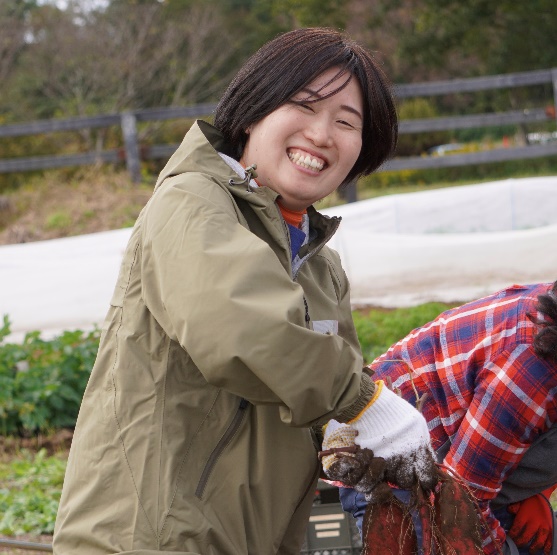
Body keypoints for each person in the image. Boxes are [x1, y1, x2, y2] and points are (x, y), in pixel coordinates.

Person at [52, 28, 437, 555]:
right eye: (304, 105)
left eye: (347, 123)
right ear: (254, 109)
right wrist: (365, 402)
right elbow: (244, 328)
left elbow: (318, 419)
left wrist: (346, 467)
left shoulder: (322, 268)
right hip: (154, 539)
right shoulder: (191, 202)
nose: (323, 135)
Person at [324, 281, 557, 555]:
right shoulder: (530, 374)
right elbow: (460, 504)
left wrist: (535, 492)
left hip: (479, 459)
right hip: (401, 467)